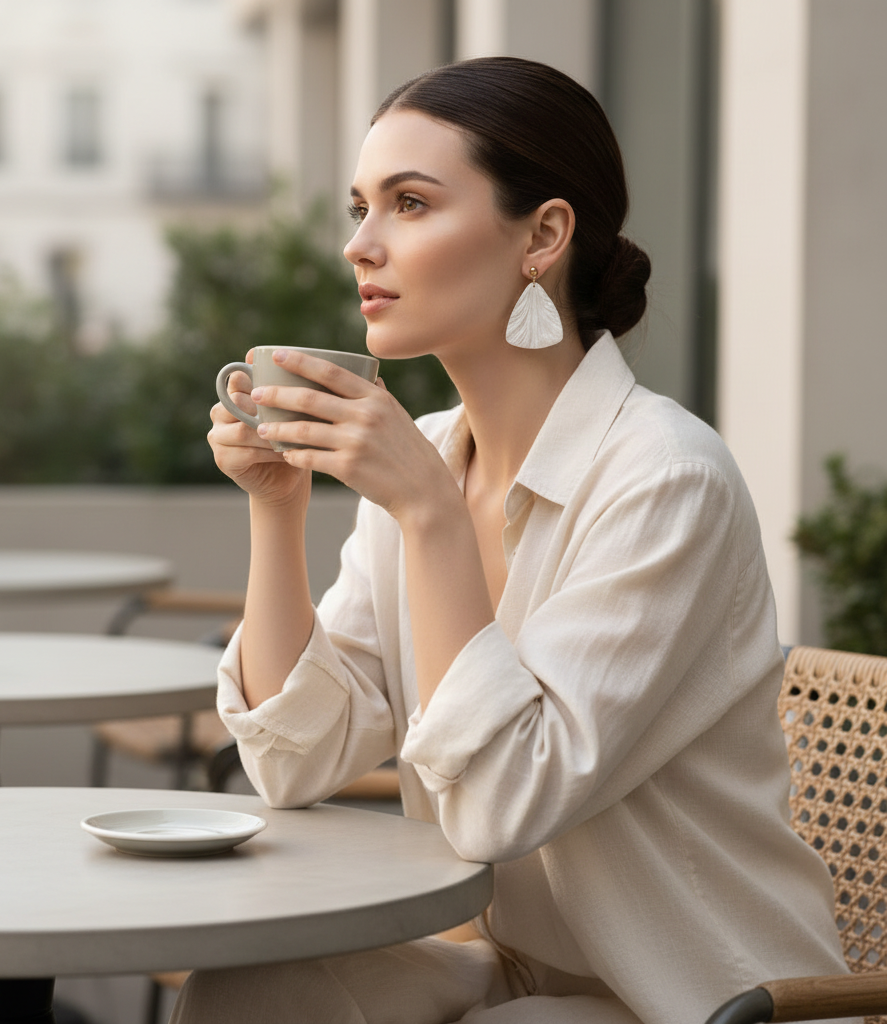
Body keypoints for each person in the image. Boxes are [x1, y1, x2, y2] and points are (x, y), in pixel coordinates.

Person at [171, 57, 848, 1024]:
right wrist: (276, 508)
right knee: (252, 988)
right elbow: (295, 761)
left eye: (410, 204)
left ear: (543, 235)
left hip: (699, 993)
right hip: (506, 961)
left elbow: (498, 807)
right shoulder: (431, 457)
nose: (362, 245)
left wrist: (431, 517)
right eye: (359, 208)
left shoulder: (664, 478)